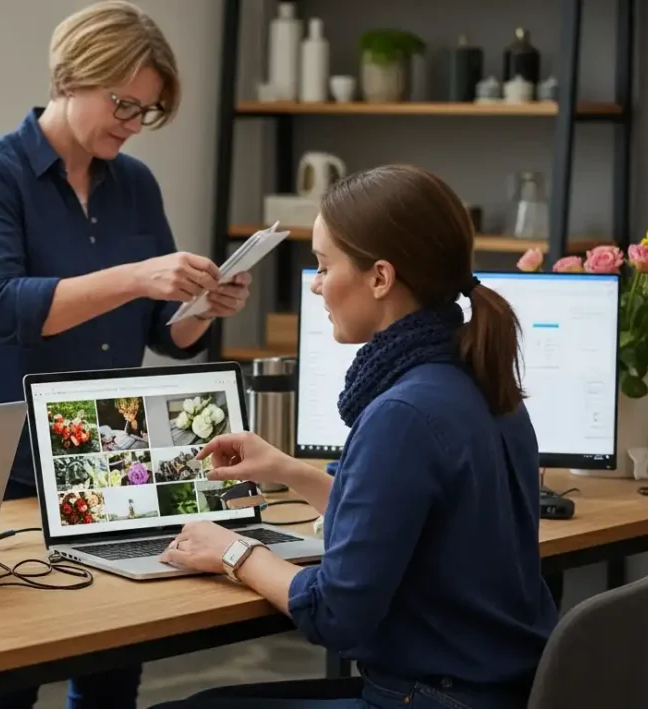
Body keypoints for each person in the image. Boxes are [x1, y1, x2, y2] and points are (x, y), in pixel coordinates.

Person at [152, 165, 560, 709]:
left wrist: (230, 549)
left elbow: (335, 615)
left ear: (380, 278)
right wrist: (285, 468)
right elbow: (412, 518)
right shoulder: (479, 379)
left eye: (323, 265)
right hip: (489, 688)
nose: (316, 283)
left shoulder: (402, 414)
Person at [0, 2, 251, 707]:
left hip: (108, 446)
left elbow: (158, 330)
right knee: (2, 673)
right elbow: (1, 309)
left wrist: (202, 307)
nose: (133, 123)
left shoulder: (135, 183)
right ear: (71, 75)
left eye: (146, 111)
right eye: (123, 102)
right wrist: (142, 276)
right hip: (2, 450)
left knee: (114, 658)